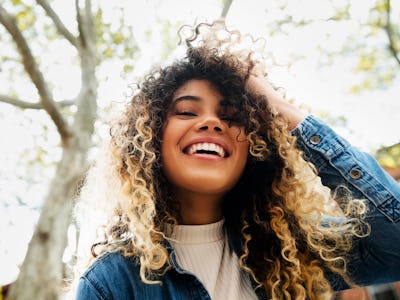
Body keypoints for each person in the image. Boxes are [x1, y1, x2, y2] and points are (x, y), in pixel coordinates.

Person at [74, 22, 400, 300]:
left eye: (231, 116)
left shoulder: (291, 249)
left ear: (256, 149)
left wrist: (281, 109)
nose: (212, 123)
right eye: (187, 111)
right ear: (150, 142)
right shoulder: (111, 283)